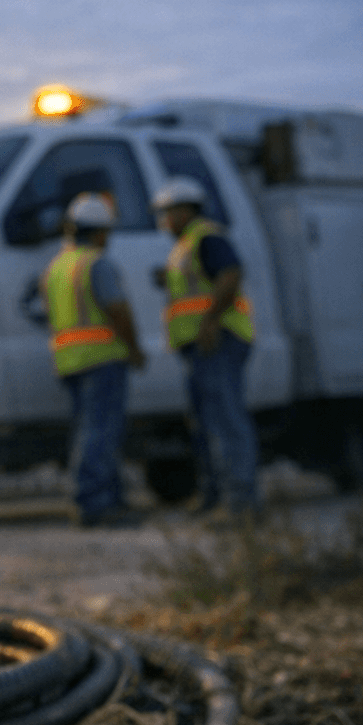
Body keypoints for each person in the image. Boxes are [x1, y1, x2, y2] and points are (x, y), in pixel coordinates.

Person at [151, 175, 260, 518]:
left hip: (218, 340)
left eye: (168, 213)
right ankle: (215, 496)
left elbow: (230, 275)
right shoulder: (186, 246)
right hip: (199, 346)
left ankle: (240, 502)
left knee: (226, 420)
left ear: (185, 211)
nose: (164, 220)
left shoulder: (207, 237)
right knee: (206, 423)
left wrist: (211, 321)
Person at [43, 193, 148, 528]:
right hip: (101, 358)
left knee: (89, 431)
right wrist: (134, 349)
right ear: (100, 232)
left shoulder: (57, 267)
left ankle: (109, 499)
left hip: (69, 361)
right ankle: (95, 503)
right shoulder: (96, 264)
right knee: (101, 432)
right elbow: (117, 309)